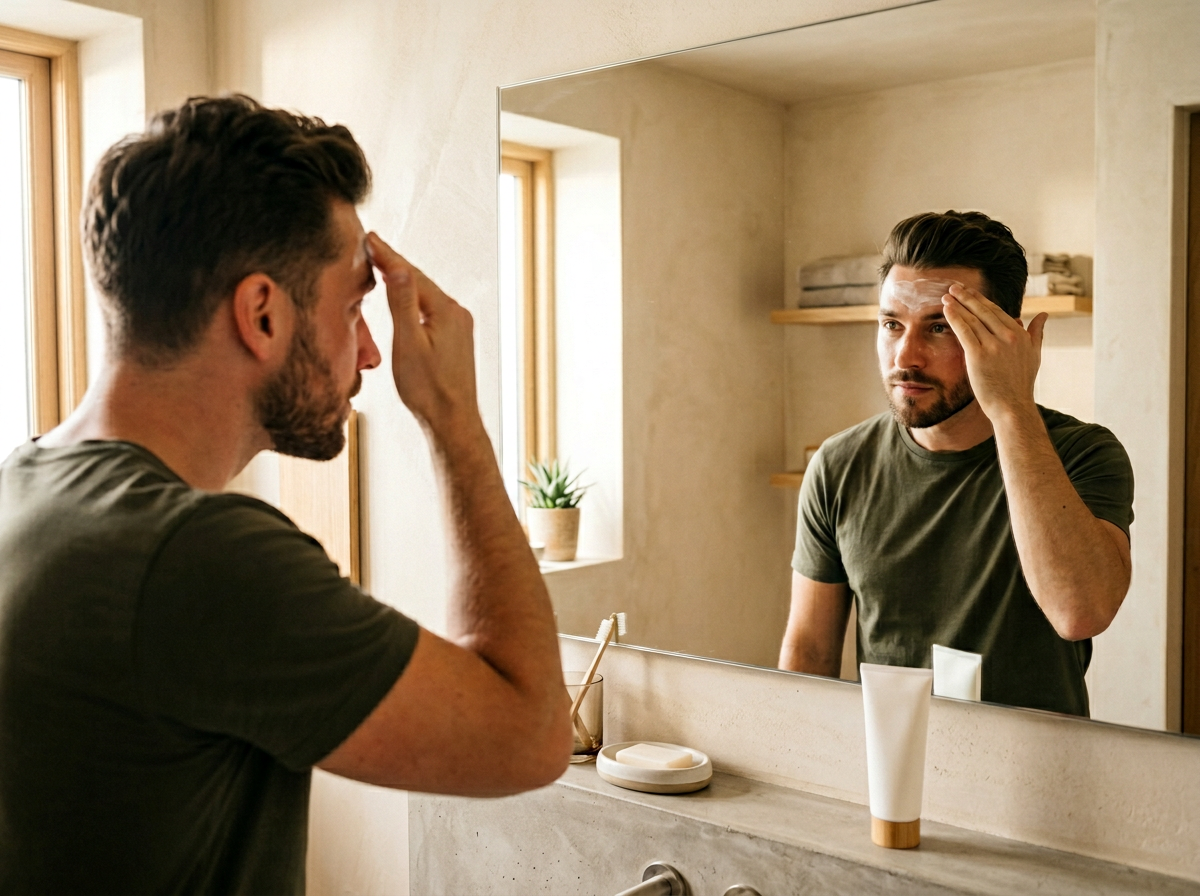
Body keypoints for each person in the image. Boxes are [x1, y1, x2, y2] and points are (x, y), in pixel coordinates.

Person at [0, 95, 573, 894]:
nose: (372, 352)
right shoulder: (197, 558)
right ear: (262, 314)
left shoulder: (23, 489)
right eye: (353, 309)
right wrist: (453, 420)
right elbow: (535, 733)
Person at [778, 210, 1134, 717]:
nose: (907, 355)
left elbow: (1081, 612)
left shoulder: (1084, 453)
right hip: (891, 775)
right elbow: (809, 655)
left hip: (1041, 780)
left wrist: (1012, 408)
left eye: (940, 327)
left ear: (1005, 336)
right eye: (891, 324)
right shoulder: (838, 465)